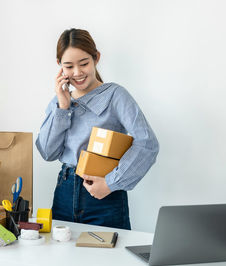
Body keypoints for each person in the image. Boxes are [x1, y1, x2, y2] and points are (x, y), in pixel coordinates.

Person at [36, 28, 159, 230]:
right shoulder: (58, 102)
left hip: (104, 198)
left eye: (84, 63)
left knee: (108, 259)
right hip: (64, 193)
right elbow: (48, 153)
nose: (77, 72)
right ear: (60, 66)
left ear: (96, 58)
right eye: (69, 66)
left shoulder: (115, 95)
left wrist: (111, 183)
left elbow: (147, 143)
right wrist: (63, 107)